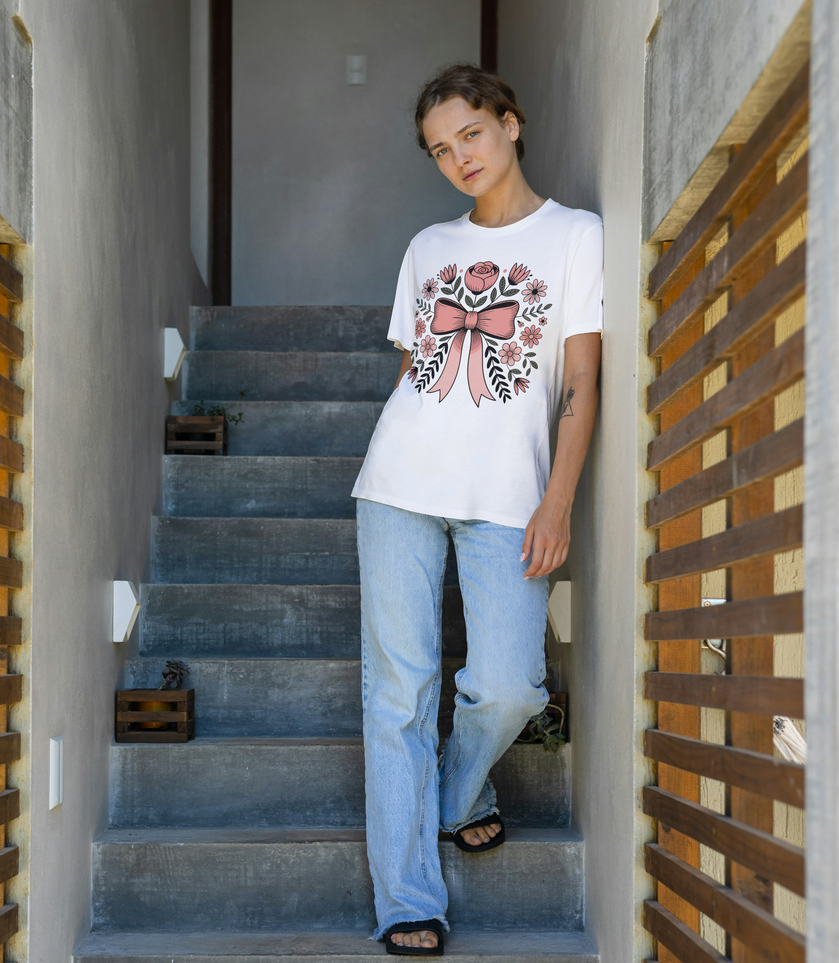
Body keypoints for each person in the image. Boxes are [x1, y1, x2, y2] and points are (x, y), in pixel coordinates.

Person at [351, 64, 602, 955]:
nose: (458, 157)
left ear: (510, 123)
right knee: (398, 695)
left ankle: (457, 794)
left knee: (508, 685)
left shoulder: (575, 235)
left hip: (508, 496)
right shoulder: (427, 247)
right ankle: (406, 899)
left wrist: (557, 501)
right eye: (438, 149)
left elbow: (579, 381)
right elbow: (413, 372)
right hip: (397, 485)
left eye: (470, 134)